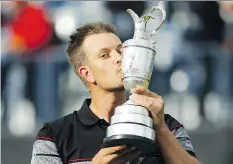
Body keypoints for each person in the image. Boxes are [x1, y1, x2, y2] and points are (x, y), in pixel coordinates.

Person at [31, 22, 200, 164]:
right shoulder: (54, 135)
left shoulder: (166, 124)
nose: (119, 58)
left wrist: (161, 129)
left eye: (120, 51)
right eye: (105, 55)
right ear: (87, 73)